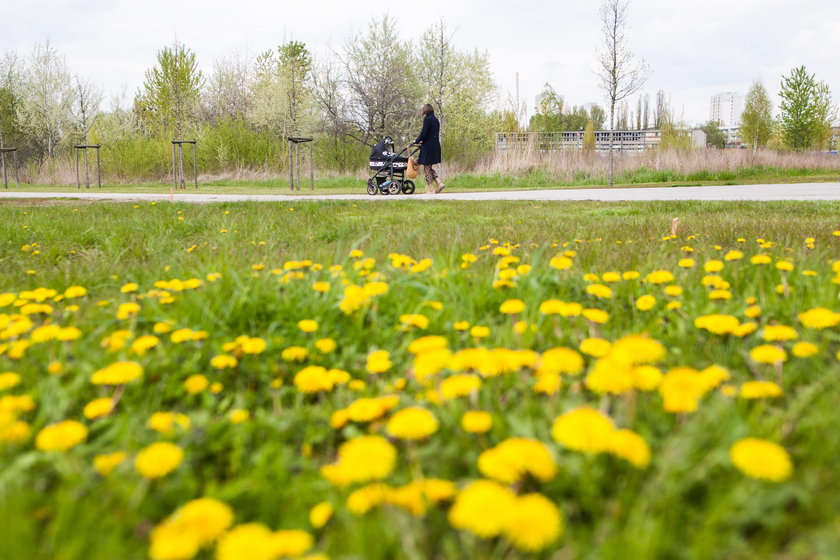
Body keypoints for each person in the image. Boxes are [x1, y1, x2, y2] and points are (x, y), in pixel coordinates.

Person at [414, 104, 445, 194]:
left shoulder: (427, 119)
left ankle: (430, 189)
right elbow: (431, 134)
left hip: (428, 147)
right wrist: (422, 140)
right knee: (429, 167)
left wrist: (417, 140)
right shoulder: (436, 120)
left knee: (427, 168)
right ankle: (439, 183)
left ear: (426, 110)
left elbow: (424, 133)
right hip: (435, 146)